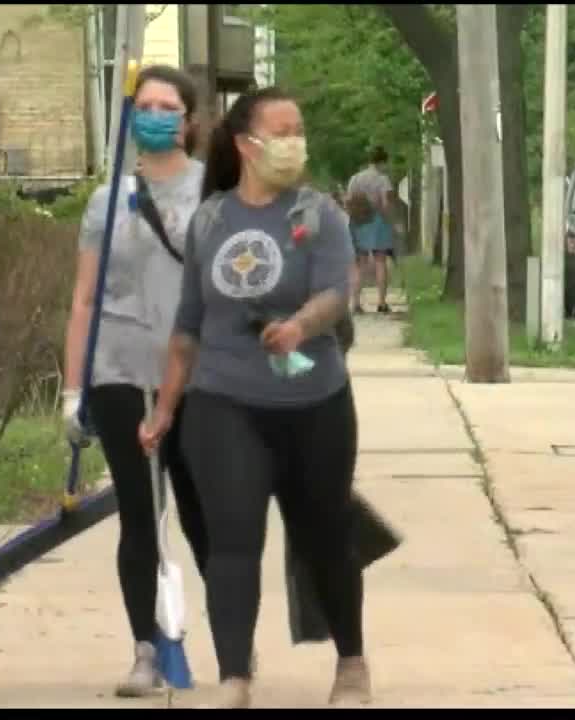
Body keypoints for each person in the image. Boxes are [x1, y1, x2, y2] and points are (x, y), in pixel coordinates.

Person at [139, 87, 371, 709]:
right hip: (224, 402)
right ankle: (235, 675)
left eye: (300, 128)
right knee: (232, 538)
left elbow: (335, 294)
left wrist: (300, 326)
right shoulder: (211, 221)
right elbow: (188, 325)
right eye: (282, 129)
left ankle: (351, 663)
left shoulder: (322, 214)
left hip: (314, 402)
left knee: (325, 534)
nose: (295, 140)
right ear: (246, 144)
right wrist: (165, 408)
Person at [61, 64, 209, 697]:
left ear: (189, 120)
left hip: (196, 376)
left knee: (206, 518)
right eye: (144, 105)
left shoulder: (215, 192)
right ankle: (146, 647)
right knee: (140, 519)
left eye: (167, 106)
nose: (154, 115)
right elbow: (84, 301)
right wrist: (73, 389)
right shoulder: (106, 199)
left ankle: (231, 641)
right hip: (119, 372)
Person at [346, 146, 399, 314]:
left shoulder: (355, 178)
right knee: (380, 261)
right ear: (382, 162)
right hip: (378, 222)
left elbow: (349, 200)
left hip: (358, 221)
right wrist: (392, 221)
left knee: (359, 264)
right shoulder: (383, 180)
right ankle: (382, 303)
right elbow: (386, 204)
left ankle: (355, 304)